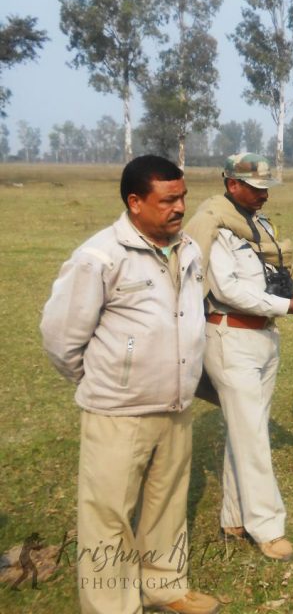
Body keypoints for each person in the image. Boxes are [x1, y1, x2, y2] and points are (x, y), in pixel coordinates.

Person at [40, 155, 220, 614]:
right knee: (109, 516)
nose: (180, 208)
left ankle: (165, 586)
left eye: (183, 197)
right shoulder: (100, 257)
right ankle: (112, 606)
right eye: (168, 200)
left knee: (167, 503)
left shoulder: (188, 249)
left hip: (175, 406)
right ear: (135, 202)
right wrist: (108, 382)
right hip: (118, 413)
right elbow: (61, 338)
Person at [184, 154, 293, 562]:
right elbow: (227, 290)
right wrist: (287, 306)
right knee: (254, 439)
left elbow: (281, 273)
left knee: (247, 431)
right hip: (231, 337)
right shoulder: (215, 226)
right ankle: (269, 528)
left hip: (264, 336)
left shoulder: (259, 226)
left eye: (266, 188)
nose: (264, 195)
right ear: (232, 184)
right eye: (256, 188)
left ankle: (235, 517)